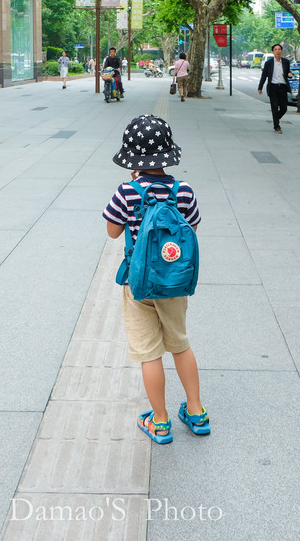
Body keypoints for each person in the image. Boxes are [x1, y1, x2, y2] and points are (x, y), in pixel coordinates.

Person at [103, 115, 207, 444]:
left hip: (139, 285)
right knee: (180, 344)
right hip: (174, 284)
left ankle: (160, 422)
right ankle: (196, 411)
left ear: (132, 160)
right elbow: (192, 228)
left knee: (149, 352)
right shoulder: (183, 190)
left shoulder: (127, 191)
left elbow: (112, 231)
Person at [257, 43, 294, 133]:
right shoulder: (268, 63)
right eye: (275, 49)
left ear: (281, 51)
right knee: (274, 107)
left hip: (283, 87)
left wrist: (290, 75)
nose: (277, 51)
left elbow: (288, 73)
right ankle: (276, 126)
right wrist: (260, 87)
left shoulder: (286, 62)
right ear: (273, 52)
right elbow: (264, 76)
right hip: (273, 87)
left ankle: (275, 118)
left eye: (279, 49)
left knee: (284, 108)